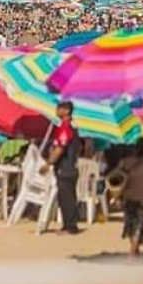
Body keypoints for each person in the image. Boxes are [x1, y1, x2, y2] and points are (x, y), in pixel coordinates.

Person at [41, 101, 80, 235]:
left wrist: (48, 163)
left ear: (67, 110)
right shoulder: (73, 127)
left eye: (59, 108)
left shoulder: (65, 127)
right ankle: (68, 225)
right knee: (67, 197)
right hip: (71, 167)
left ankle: (70, 227)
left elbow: (60, 148)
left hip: (66, 167)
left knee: (66, 197)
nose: (56, 110)